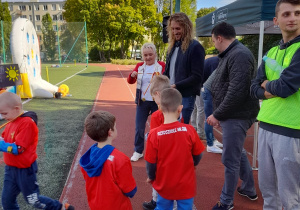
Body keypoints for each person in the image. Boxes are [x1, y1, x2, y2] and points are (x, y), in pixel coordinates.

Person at [250, 0, 300, 208]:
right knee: (268, 192)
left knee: (289, 197)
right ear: (276, 20)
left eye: (297, 13)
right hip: (266, 125)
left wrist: (267, 86)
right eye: (287, 14)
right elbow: (253, 87)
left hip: (291, 130)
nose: (293, 18)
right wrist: (271, 88)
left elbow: (286, 87)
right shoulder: (271, 52)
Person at [206, 22, 260, 210]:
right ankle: (248, 188)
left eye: (214, 41)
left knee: (230, 159)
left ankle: (226, 201)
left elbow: (237, 91)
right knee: (238, 152)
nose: (214, 45)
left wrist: (217, 114)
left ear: (220, 38)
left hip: (237, 114)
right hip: (233, 113)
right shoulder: (233, 54)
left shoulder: (239, 55)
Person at [0, 92, 74, 210]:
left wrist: (1, 144)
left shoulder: (27, 123)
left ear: (16, 109)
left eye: (4, 113)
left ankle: (60, 207)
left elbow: (18, 148)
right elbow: (5, 139)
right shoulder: (11, 121)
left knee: (34, 200)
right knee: (7, 201)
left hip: (25, 170)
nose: (3, 116)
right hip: (11, 169)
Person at [145, 88, 205, 210]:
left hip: (164, 183)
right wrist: (193, 163)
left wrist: (151, 176)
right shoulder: (190, 130)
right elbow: (199, 153)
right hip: (186, 183)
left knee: (162, 207)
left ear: (160, 108)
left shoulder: (154, 134)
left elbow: (150, 162)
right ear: (180, 109)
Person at [80, 110, 137, 210]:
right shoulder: (120, 159)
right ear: (110, 132)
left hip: (95, 205)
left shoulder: (87, 158)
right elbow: (130, 190)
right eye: (115, 126)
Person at [163, 12, 205, 124]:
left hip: (185, 97)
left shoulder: (195, 47)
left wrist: (176, 85)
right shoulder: (172, 47)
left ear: (186, 28)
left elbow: (197, 77)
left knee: (181, 129)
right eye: (172, 29)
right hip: (171, 94)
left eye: (178, 28)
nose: (175, 32)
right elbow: (168, 72)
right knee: (170, 129)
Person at [127, 43, 165, 162]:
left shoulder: (161, 65)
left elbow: (166, 79)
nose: (148, 57)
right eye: (145, 55)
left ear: (155, 54)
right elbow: (130, 81)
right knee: (139, 127)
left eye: (150, 54)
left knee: (157, 128)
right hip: (142, 101)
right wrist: (132, 75)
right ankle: (138, 151)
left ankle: (157, 151)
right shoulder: (139, 66)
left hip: (156, 102)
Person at [202, 56, 223, 153]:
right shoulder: (217, 63)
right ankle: (210, 144)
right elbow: (216, 83)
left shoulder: (220, 61)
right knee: (209, 117)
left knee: (212, 115)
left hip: (208, 89)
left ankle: (212, 140)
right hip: (208, 90)